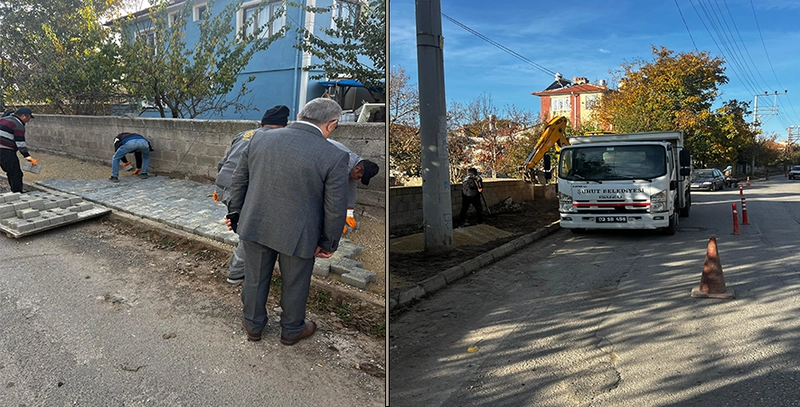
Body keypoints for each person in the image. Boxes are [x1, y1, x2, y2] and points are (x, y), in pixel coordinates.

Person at [226, 98, 349, 345]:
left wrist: (235, 215)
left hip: (255, 223)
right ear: (332, 124)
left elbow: (238, 182)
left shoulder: (259, 138)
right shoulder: (335, 156)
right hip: (299, 234)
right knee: (296, 283)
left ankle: (253, 326)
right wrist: (328, 243)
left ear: (302, 114)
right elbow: (335, 208)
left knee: (255, 277)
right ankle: (291, 330)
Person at [214, 105, 290, 285]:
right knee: (249, 230)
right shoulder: (274, 139)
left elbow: (223, 162)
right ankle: (236, 273)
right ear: (283, 126)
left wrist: (220, 188)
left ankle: (242, 269)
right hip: (239, 189)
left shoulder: (244, 134)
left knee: (246, 225)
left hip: (224, 184)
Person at [327, 138, 380, 234]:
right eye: (359, 177)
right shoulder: (343, 165)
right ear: (357, 168)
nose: (358, 179)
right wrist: (335, 220)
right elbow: (332, 192)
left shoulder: (355, 163)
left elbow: (352, 189)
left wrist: (349, 212)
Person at [0, 107, 37, 193]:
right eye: (28, 118)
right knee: (15, 173)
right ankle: (17, 193)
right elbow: (20, 142)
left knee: (10, 171)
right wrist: (27, 157)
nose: (28, 120)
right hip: (5, 150)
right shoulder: (18, 125)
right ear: (23, 116)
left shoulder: (4, 119)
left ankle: (14, 191)